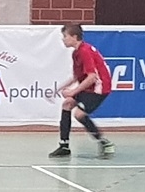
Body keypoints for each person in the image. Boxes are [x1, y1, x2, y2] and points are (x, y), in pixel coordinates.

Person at [48, 23, 115, 159]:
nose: (63, 39)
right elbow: (76, 76)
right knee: (67, 104)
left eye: (65, 36)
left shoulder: (85, 51)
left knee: (79, 114)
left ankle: (104, 142)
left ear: (74, 37)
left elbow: (92, 77)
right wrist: (59, 89)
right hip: (90, 87)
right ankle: (64, 146)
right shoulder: (76, 53)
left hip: (99, 89)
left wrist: (73, 92)